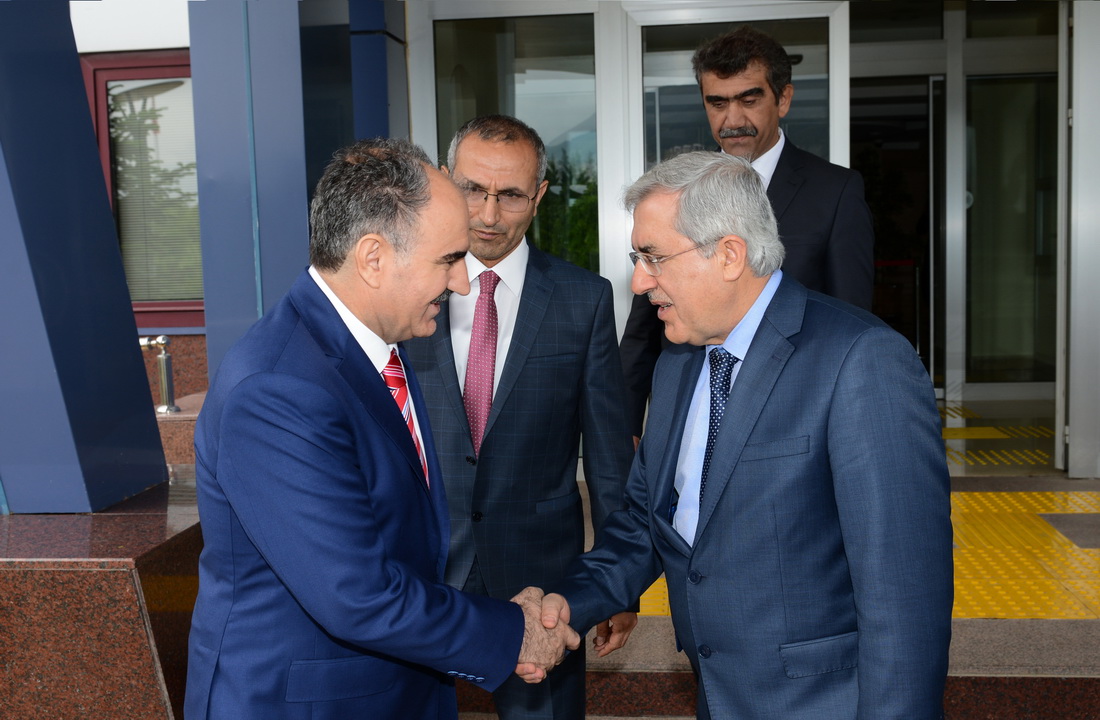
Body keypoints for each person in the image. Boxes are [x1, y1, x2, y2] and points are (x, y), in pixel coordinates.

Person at [538, 151, 953, 719]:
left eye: (653, 257)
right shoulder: (678, 361)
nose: (639, 281)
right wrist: (566, 604)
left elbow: (904, 594)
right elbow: (646, 523)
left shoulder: (861, 360)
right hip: (717, 696)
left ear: (729, 254)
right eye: (638, 259)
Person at [185, 137, 579, 720]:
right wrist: (511, 632)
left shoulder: (376, 346)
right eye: (448, 260)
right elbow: (357, 595)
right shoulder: (277, 389)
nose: (462, 283)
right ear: (373, 258)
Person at [404, 114, 637, 720]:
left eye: (509, 195)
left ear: (538, 195)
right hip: (419, 571)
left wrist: (617, 586)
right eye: (472, 190)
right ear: (445, 182)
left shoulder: (583, 299)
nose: (487, 214)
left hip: (543, 585)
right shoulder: (403, 293)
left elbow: (609, 461)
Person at [619, 25, 875, 439]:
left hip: (792, 409)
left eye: (749, 100)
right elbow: (643, 327)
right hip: (690, 401)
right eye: (717, 103)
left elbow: (851, 318)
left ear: (783, 98)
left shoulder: (835, 191)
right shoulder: (674, 190)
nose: (733, 119)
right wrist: (625, 427)